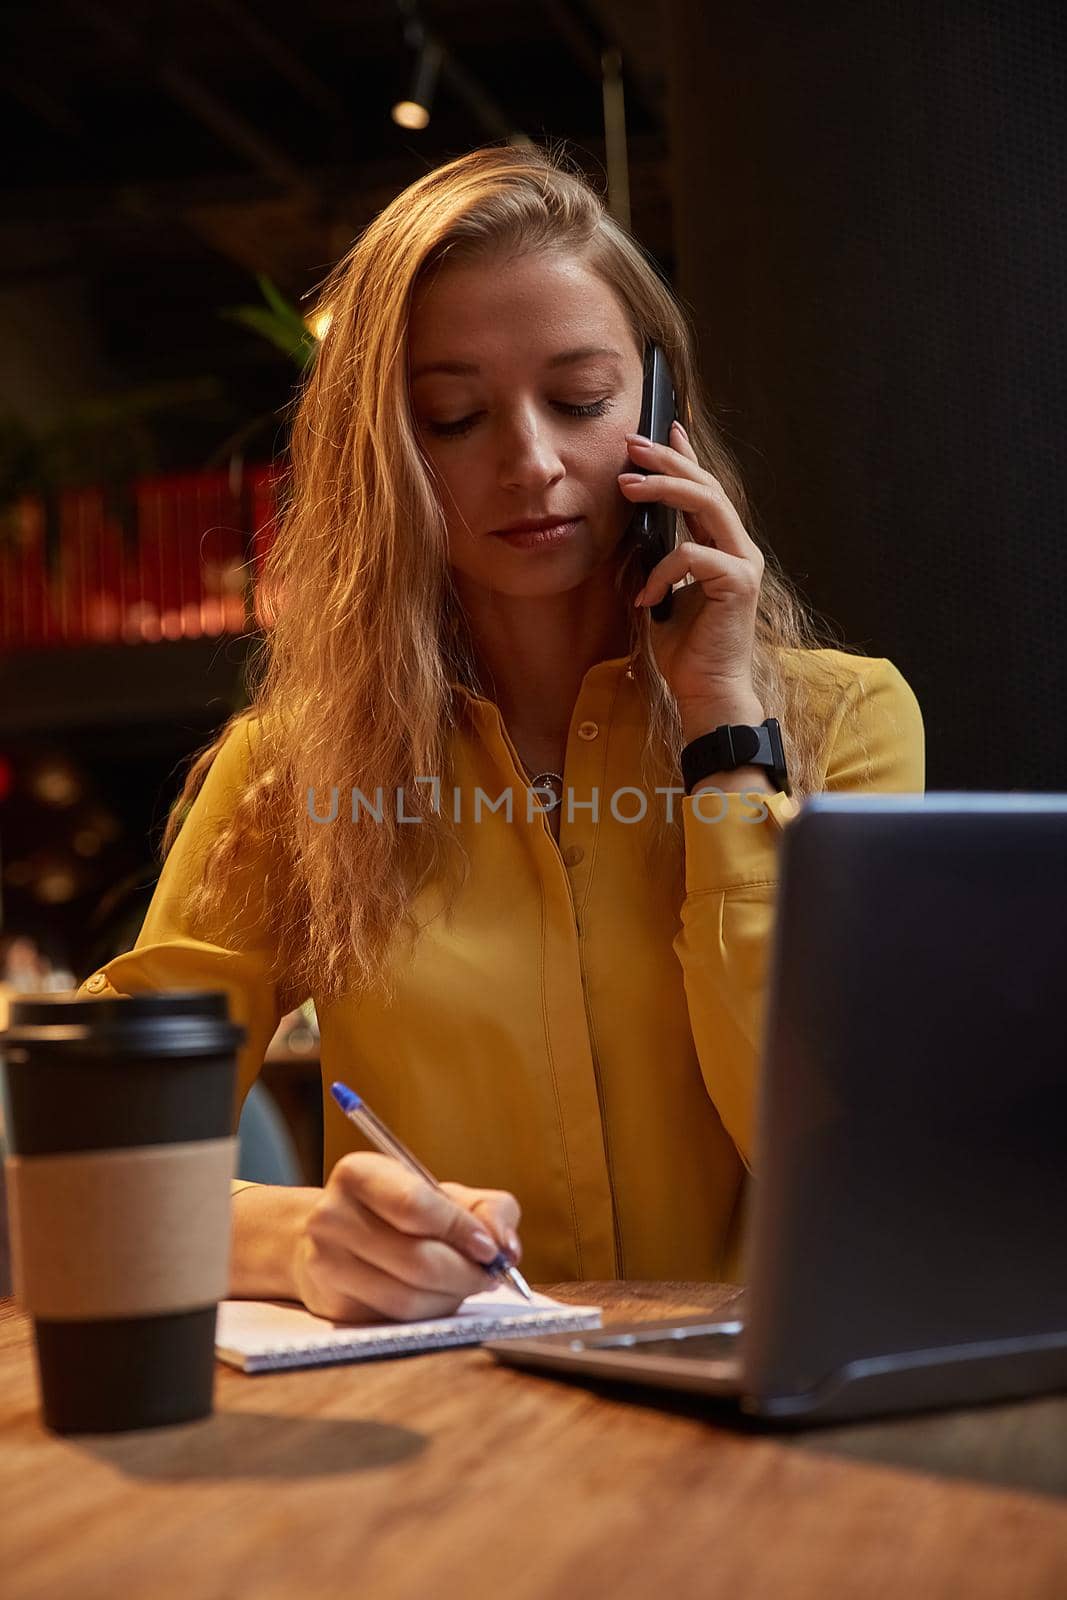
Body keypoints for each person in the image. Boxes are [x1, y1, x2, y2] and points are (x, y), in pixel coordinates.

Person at [77, 142, 924, 1324]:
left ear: (659, 407)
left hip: (760, 1414)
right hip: (454, 1432)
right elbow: (90, 1172)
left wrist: (725, 737)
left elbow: (853, 1147)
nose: (531, 463)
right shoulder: (290, 774)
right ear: (384, 452)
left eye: (580, 401)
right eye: (454, 415)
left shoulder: (842, 723)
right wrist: (295, 1236)